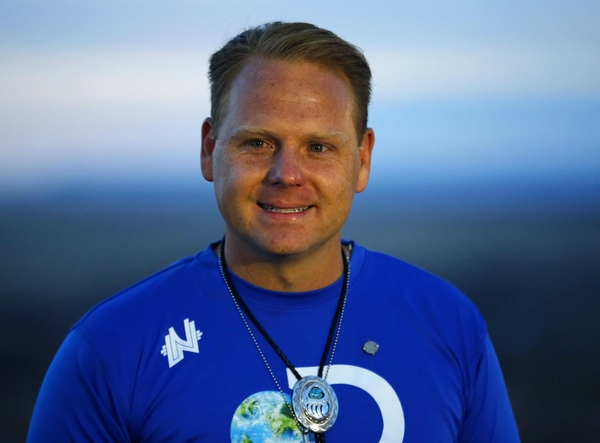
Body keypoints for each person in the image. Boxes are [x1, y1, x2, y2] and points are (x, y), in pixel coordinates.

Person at [27, 22, 520, 442]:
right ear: (209, 149)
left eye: (319, 148)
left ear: (363, 159)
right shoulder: (112, 348)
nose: (287, 174)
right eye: (258, 142)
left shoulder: (448, 323)